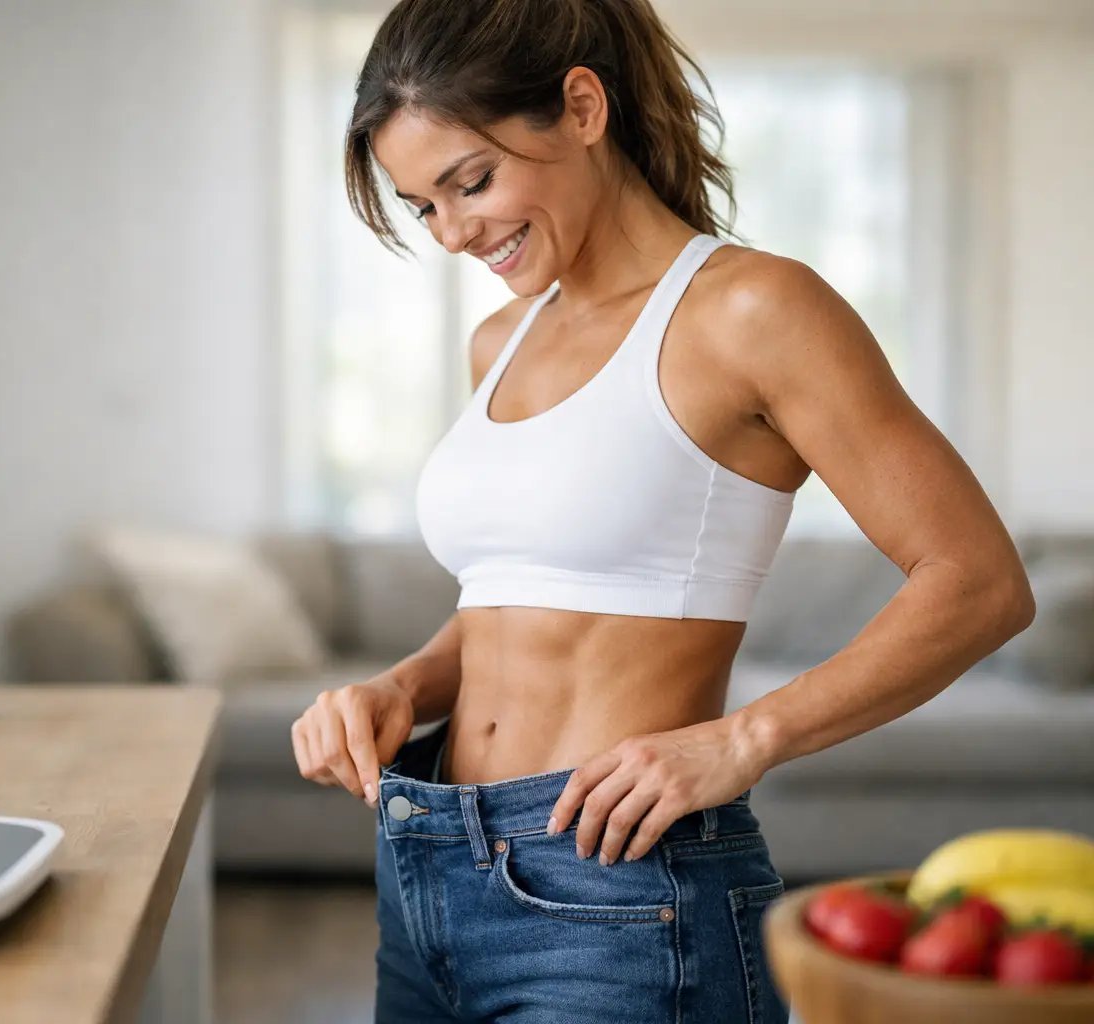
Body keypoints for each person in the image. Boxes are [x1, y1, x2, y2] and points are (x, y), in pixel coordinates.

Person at [288, 0, 1037, 1021]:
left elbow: (980, 582)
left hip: (619, 891)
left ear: (583, 107)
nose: (454, 232)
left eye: (471, 180)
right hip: (425, 867)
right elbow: (522, 598)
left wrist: (745, 737)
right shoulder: (499, 339)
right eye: (424, 205)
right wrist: (404, 685)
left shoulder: (754, 311)